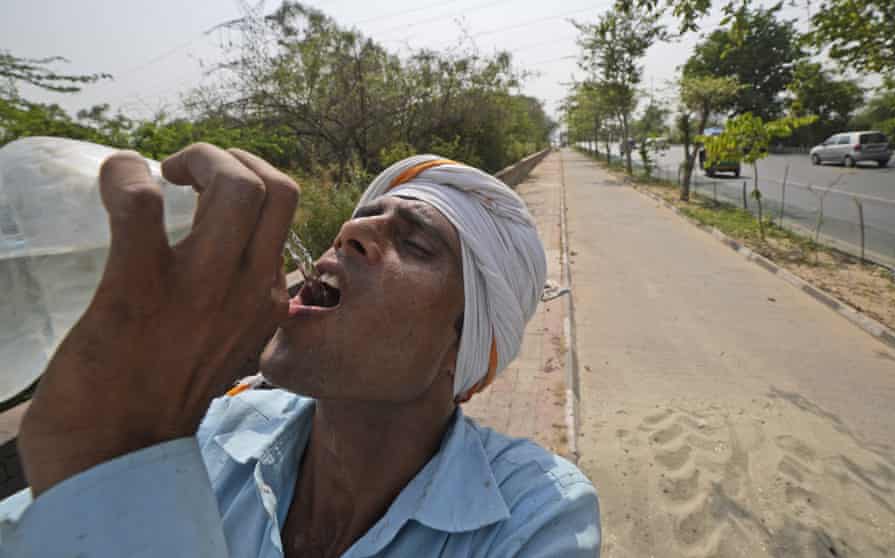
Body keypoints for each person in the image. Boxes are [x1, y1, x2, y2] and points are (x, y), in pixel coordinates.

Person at [0, 144, 600, 557]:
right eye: (362, 218)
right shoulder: (218, 430)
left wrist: (128, 461)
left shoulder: (532, 514)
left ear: (459, 347)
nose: (352, 232)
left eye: (415, 243)